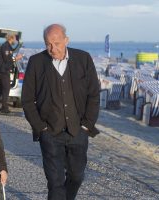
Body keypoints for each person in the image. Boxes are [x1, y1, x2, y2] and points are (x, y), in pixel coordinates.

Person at [21, 24, 100, 200]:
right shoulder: (36, 62)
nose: (52, 48)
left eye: (57, 43)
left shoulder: (83, 59)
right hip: (50, 133)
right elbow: (27, 100)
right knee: (55, 182)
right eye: (48, 44)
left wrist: (87, 126)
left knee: (77, 177)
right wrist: (41, 128)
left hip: (78, 131)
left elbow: (94, 95)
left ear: (66, 40)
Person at [0, 33, 22, 113]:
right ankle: (4, 108)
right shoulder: (5, 46)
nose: (15, 40)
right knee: (6, 88)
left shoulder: (8, 46)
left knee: (1, 88)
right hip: (3, 70)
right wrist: (16, 58)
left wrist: (18, 45)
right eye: (15, 38)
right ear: (11, 38)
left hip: (4, 69)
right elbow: (7, 60)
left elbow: (10, 55)